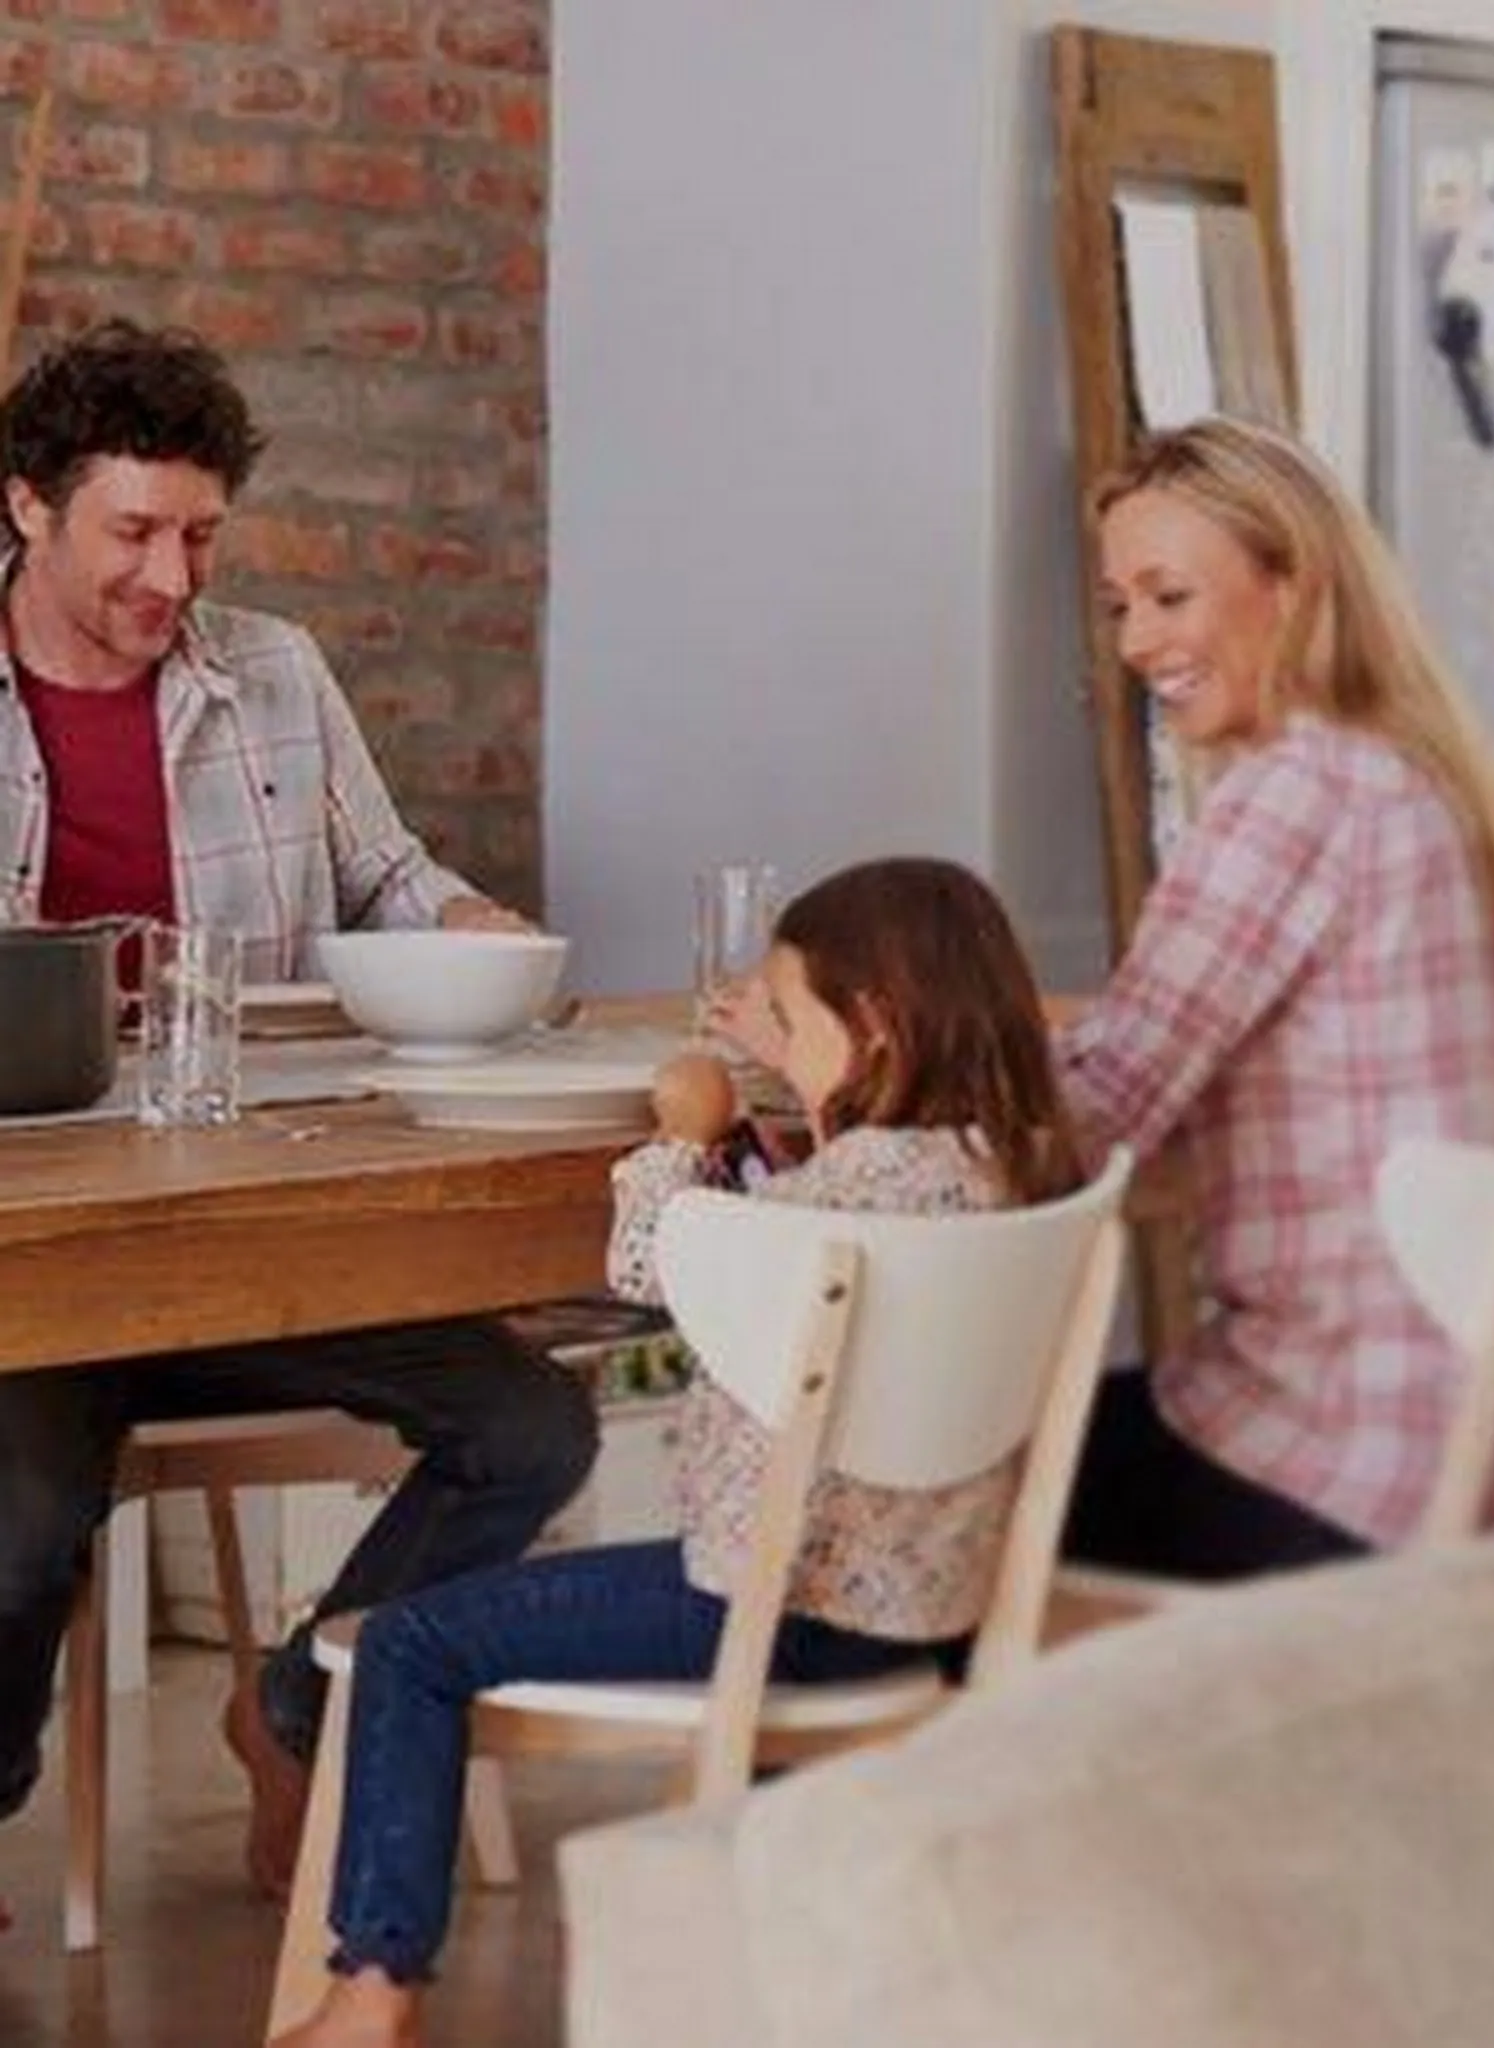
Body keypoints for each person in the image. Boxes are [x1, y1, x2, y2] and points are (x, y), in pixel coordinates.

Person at [273, 856, 1082, 2048]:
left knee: (408, 1640)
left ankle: (372, 1988)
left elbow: (651, 1260)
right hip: (922, 1611)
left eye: (790, 1021)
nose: (778, 1043)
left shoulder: (832, 1197)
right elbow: (816, 1209)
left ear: (872, 1029)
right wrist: (786, 1097)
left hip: (764, 1604)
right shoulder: (1020, 1169)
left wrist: (679, 1130)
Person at [0, 322, 597, 1897]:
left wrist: (468, 925)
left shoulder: (274, 673)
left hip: (259, 1228)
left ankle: (297, 1713)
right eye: (134, 531)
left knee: (532, 1428)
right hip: (42, 1262)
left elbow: (387, 875)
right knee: (21, 1517)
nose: (173, 577)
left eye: (201, 535)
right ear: (28, 508)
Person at [1055, 415, 1494, 1580]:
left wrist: (872, 1060)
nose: (1135, 640)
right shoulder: (1415, 776)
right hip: (1482, 1447)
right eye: (1119, 605)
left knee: (945, 1486)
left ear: (1289, 586)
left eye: (1169, 596)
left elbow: (1095, 1112)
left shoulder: (1295, 791)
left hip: (1344, 1457)